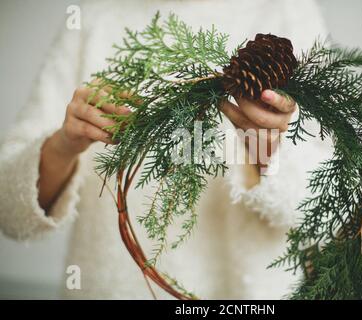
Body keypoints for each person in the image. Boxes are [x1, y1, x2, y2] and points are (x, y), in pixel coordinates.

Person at [0, 0, 332, 299]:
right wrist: (64, 144)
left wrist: (269, 154)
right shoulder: (94, 16)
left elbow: (329, 210)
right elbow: (9, 214)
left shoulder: (288, 11)